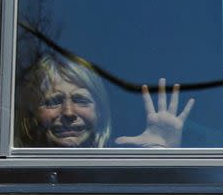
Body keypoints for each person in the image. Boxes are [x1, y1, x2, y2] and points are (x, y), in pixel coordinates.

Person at [15, 53, 194, 148]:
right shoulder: (15, 175)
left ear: (100, 113)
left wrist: (162, 152)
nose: (68, 112)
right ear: (32, 115)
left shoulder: (120, 170)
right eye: (54, 101)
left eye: (81, 100)